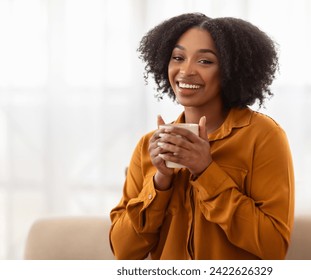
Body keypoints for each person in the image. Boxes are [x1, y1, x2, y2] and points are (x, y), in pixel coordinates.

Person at [109, 13, 294, 260]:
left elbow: (273, 248)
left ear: (230, 70)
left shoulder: (263, 136)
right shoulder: (148, 146)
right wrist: (160, 180)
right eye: (178, 58)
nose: (186, 71)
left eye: (205, 61)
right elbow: (123, 251)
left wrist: (206, 171)